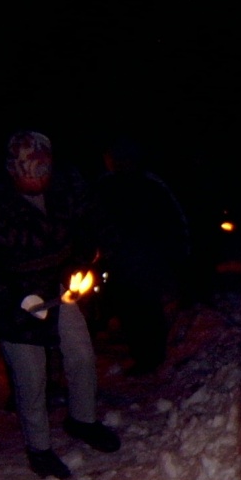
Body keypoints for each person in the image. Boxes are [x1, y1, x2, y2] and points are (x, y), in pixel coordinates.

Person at [0, 131, 119, 479]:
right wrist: (13, 299)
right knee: (30, 376)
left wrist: (87, 259)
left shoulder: (66, 191)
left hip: (59, 288)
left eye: (42, 172)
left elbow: (93, 228)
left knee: (80, 354)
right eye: (27, 173)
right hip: (15, 304)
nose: (36, 180)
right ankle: (39, 447)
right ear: (12, 170)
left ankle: (83, 420)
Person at [90, 135, 190, 375]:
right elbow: (91, 220)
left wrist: (176, 257)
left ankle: (151, 358)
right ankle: (141, 353)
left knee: (146, 308)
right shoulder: (104, 187)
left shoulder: (150, 186)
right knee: (129, 308)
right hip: (119, 261)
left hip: (146, 261)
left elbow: (174, 222)